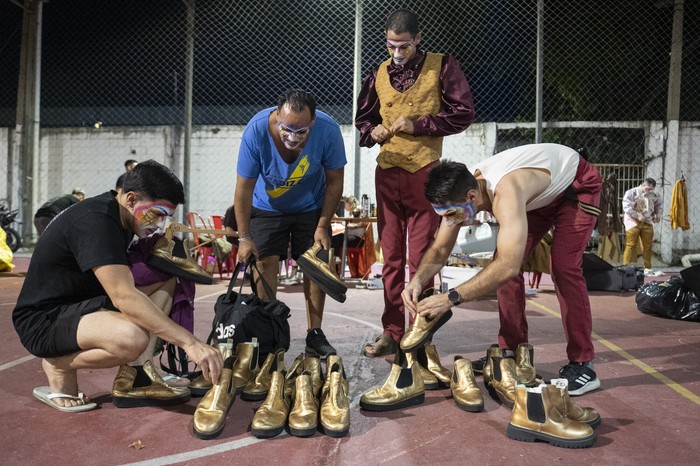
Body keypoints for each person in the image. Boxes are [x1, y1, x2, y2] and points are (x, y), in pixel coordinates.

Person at [13, 160, 223, 412]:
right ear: (131, 199)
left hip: (81, 306)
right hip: (43, 321)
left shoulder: (119, 215)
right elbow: (123, 296)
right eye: (157, 213)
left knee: (167, 278)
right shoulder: (96, 221)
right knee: (131, 338)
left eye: (165, 217)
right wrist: (190, 343)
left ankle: (138, 375)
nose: (159, 224)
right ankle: (59, 364)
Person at [402, 143, 603, 396]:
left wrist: (450, 298)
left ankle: (583, 364)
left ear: (472, 198)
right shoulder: (463, 188)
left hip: (575, 186)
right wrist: (417, 280)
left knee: (563, 266)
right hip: (539, 196)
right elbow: (441, 249)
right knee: (502, 265)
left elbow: (508, 266)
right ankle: (512, 352)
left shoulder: (506, 192)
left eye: (452, 214)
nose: (451, 222)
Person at [354, 9, 475, 357]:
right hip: (388, 173)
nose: (396, 53)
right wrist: (371, 131)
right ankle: (392, 331)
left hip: (425, 173)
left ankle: (421, 332)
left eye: (403, 46)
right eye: (391, 46)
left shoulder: (442, 65)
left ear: (418, 39)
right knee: (390, 257)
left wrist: (420, 124)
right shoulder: (377, 72)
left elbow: (463, 112)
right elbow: (363, 120)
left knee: (421, 257)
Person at [234, 89, 346, 358]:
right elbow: (243, 188)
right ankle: (268, 330)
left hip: (310, 206)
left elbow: (335, 181)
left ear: (314, 121)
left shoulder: (328, 131)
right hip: (266, 206)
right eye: (287, 129)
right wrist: (244, 237)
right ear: (276, 115)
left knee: (315, 263)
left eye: (302, 131)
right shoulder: (256, 130)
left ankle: (314, 334)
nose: (293, 137)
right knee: (264, 263)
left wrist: (322, 224)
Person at [622, 178, 662, 275]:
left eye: (651, 189)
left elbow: (658, 206)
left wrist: (657, 214)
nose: (649, 190)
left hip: (647, 221)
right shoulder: (632, 192)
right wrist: (637, 215)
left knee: (648, 246)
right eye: (647, 188)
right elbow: (626, 206)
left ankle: (647, 268)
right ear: (643, 185)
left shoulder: (655, 195)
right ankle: (625, 268)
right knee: (630, 245)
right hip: (633, 221)